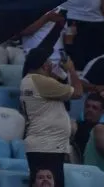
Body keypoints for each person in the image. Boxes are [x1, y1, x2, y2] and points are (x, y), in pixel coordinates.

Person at [21, 24, 83, 187]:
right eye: (49, 62)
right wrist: (72, 70)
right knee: (48, 184)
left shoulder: (28, 80)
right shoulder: (40, 81)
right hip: (47, 144)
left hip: (44, 143)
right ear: (45, 65)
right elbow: (78, 92)